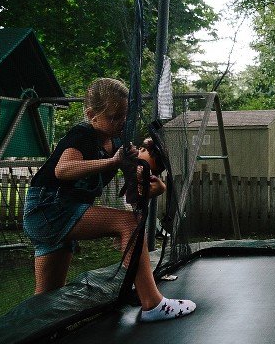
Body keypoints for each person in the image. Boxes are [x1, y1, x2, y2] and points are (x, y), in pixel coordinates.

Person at [23, 78, 195, 322]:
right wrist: (113, 162)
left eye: (124, 115)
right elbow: (63, 170)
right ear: (92, 114)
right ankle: (153, 304)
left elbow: (132, 185)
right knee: (128, 223)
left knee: (47, 297)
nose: (121, 122)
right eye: (114, 117)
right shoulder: (82, 134)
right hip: (48, 208)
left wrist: (154, 185)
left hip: (58, 214)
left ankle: (34, 333)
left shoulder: (115, 141)